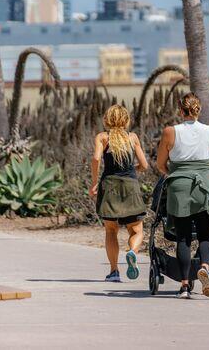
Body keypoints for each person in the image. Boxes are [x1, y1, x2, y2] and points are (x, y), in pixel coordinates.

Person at [156, 92, 209, 299]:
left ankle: (185, 286)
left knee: (183, 237)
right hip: (205, 185)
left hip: (179, 186)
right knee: (206, 234)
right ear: (199, 110)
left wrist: (173, 174)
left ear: (181, 110)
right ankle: (204, 267)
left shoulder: (170, 132)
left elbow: (161, 164)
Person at [90, 104, 149, 283]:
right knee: (137, 231)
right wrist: (134, 168)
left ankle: (114, 271)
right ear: (126, 120)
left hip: (109, 186)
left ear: (107, 119)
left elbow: (96, 158)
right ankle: (132, 252)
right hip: (130, 186)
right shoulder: (132, 138)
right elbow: (145, 165)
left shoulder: (102, 137)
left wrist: (94, 182)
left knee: (111, 230)